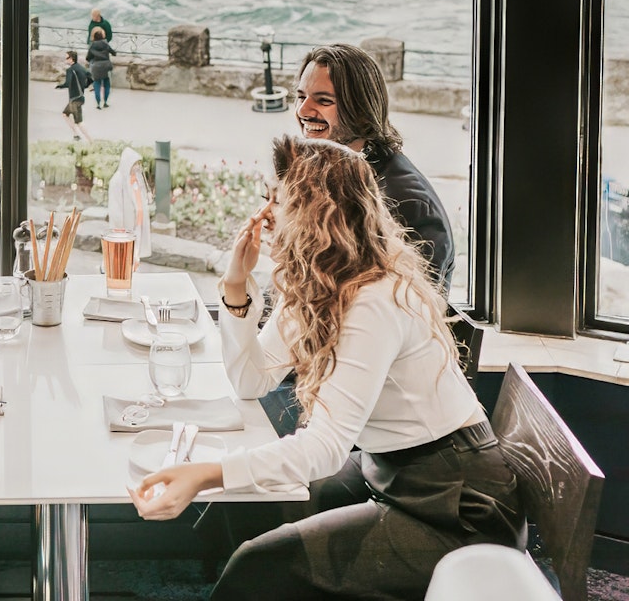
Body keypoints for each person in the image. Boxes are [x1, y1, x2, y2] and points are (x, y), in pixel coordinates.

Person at [131, 135, 524, 601]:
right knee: (256, 504)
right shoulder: (321, 280)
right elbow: (251, 380)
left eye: (279, 201)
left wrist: (204, 473)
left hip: (458, 509)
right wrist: (236, 286)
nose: (265, 215)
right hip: (393, 470)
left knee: (259, 564)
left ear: (316, 213)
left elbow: (325, 447)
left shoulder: (374, 300)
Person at [294, 43, 454, 291]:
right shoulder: (334, 169)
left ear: (361, 111)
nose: (302, 110)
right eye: (301, 96)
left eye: (324, 100)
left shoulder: (408, 205)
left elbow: (415, 306)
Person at [55, 49, 92, 143]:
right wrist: (85, 86)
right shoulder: (81, 68)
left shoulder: (70, 70)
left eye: (67, 58)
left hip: (74, 99)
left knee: (79, 122)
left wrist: (59, 86)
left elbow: (67, 83)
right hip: (80, 97)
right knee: (65, 114)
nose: (66, 60)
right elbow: (91, 78)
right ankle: (76, 135)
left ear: (71, 59)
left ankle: (91, 141)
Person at [85, 27, 116, 109]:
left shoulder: (92, 45)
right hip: (106, 66)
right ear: (102, 36)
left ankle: (98, 104)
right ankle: (105, 102)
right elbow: (113, 53)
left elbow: (88, 58)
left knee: (97, 84)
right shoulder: (105, 44)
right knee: (107, 84)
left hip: (96, 67)